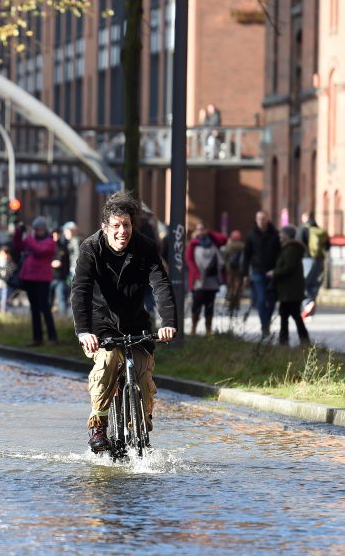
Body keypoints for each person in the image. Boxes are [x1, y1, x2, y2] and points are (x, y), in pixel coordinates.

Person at [70, 192, 177, 452]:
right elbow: (81, 289)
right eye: (116, 226)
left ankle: (140, 425)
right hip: (101, 323)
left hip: (136, 322)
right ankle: (99, 426)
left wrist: (168, 322)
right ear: (105, 228)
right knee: (106, 363)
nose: (122, 232)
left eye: (126, 225)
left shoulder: (145, 247)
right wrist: (84, 331)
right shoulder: (90, 248)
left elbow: (160, 284)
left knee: (143, 373)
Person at [13, 216, 58, 346]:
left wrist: (28, 237)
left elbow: (39, 250)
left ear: (44, 230)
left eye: (39, 230)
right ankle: (37, 338)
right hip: (29, 279)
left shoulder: (49, 242)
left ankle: (52, 337)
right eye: (35, 229)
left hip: (42, 279)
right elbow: (18, 245)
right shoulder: (32, 240)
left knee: (44, 307)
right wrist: (18, 232)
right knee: (34, 309)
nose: (37, 232)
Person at [269, 225, 310, 346]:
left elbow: (288, 267)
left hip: (290, 290)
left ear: (286, 235)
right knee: (288, 315)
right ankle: (293, 340)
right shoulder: (290, 248)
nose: (280, 236)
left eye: (281, 234)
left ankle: (288, 341)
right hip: (289, 289)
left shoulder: (291, 249)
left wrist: (274, 272)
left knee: (290, 315)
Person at [242, 210, 281, 337]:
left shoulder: (274, 234)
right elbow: (246, 255)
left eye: (263, 218)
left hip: (272, 272)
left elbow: (279, 254)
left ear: (267, 219)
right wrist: (245, 274)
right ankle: (264, 326)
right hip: (257, 271)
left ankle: (267, 322)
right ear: (256, 219)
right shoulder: (251, 234)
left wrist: (276, 270)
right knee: (261, 299)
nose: (261, 220)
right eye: (258, 218)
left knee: (271, 300)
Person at [186, 222, 226, 336]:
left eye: (203, 229)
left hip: (212, 280)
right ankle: (193, 328)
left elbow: (224, 238)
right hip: (198, 280)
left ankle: (208, 330)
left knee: (210, 305)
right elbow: (189, 260)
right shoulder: (193, 244)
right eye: (198, 229)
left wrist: (210, 233)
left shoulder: (214, 242)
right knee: (196, 304)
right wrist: (196, 273)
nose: (200, 231)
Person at [297, 211, 330, 319]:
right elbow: (328, 246)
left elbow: (297, 244)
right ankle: (310, 311)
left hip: (306, 259)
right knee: (314, 285)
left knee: (302, 284)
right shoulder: (319, 230)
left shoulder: (303, 229)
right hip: (319, 260)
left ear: (304, 217)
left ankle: (307, 304)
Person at [222, 229, 246, 319]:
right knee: (238, 289)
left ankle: (230, 305)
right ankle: (236, 304)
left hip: (230, 271)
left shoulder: (229, 246)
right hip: (239, 271)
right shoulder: (243, 246)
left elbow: (225, 257)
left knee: (230, 288)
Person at [50, 226, 71, 317]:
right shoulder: (47, 246)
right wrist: (51, 263)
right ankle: (46, 318)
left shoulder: (63, 247)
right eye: (54, 234)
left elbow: (67, 262)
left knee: (62, 299)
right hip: (49, 277)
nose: (56, 236)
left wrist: (66, 275)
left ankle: (63, 319)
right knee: (48, 300)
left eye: (57, 234)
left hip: (60, 277)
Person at [0, 246, 14, 313]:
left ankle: (3, 310)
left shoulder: (9, 261)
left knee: (5, 296)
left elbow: (11, 270)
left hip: (6, 281)